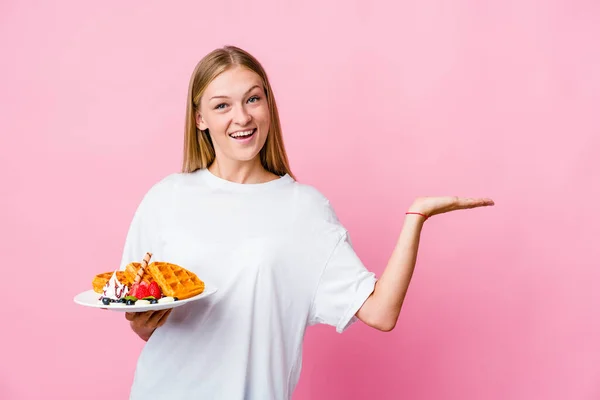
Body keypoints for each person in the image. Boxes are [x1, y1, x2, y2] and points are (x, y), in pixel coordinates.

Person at [121, 45, 494, 399]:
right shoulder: (166, 197)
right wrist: (141, 323)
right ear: (200, 117)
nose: (242, 117)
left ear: (268, 104)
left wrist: (416, 217)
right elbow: (138, 313)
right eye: (222, 105)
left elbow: (380, 312)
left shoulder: (304, 208)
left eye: (253, 98)